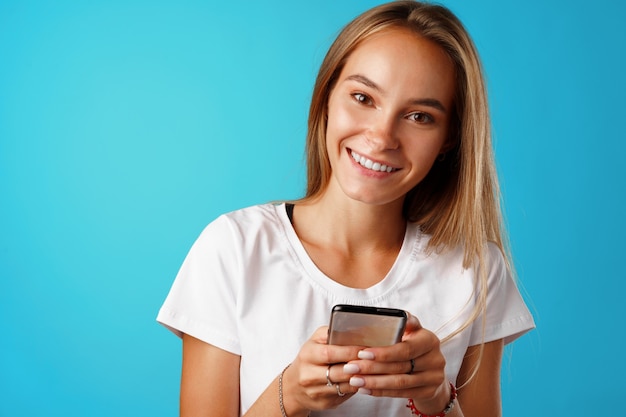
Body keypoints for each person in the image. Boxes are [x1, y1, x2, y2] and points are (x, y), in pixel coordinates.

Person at [157, 1, 535, 416]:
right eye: (362, 97)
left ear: (449, 139)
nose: (381, 136)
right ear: (326, 99)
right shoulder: (234, 248)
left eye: (419, 116)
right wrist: (290, 395)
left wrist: (436, 399)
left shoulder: (475, 271)